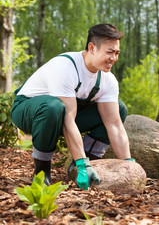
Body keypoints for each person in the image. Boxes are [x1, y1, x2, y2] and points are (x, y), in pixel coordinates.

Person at [11, 23, 135, 190]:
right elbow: (68, 119)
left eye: (117, 53)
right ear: (92, 48)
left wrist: (128, 164)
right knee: (53, 107)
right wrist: (81, 163)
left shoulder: (108, 80)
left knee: (118, 109)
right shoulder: (66, 67)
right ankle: (42, 173)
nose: (114, 58)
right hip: (28, 110)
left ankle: (81, 165)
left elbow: (114, 125)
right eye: (109, 52)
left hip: (63, 114)